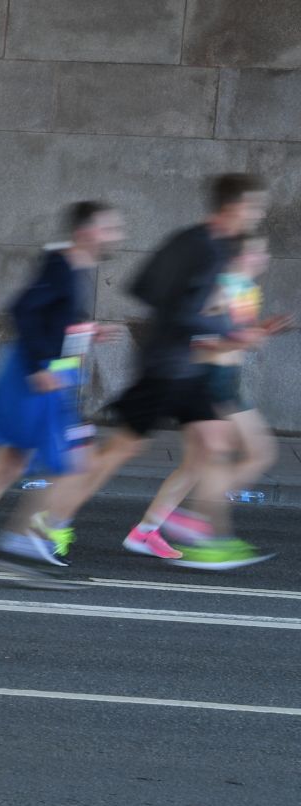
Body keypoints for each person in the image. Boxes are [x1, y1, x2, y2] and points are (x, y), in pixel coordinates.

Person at [36, 174, 270, 571]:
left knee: (213, 447)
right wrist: (224, 328)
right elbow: (169, 304)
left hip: (188, 367)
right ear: (233, 207)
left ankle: (183, 527)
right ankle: (53, 521)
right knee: (118, 452)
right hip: (165, 367)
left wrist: (210, 319)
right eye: (255, 207)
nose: (259, 214)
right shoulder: (197, 246)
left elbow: (153, 292)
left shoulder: (213, 245)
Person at [0, 202, 125, 585]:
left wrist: (87, 332)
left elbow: (49, 320)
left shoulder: (73, 268)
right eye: (108, 228)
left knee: (13, 465)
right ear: (85, 232)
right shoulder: (61, 265)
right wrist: (37, 369)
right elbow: (21, 311)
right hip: (35, 377)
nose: (116, 235)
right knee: (72, 461)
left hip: (46, 375)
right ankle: (22, 539)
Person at [130, 234, 289, 562]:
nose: (264, 256)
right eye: (257, 250)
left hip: (224, 380)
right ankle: (195, 520)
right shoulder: (221, 287)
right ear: (237, 256)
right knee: (258, 453)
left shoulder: (245, 289)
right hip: (210, 382)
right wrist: (241, 341)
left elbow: (231, 332)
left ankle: (146, 531)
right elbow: (198, 339)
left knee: (195, 465)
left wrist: (258, 331)